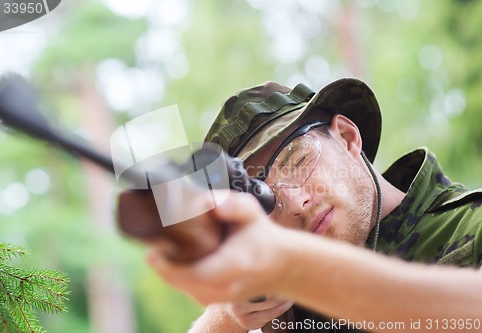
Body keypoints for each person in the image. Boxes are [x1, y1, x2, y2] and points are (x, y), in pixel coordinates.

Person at [121, 78, 482, 332]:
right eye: (264, 198)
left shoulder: (472, 228)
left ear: (347, 137)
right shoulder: (284, 309)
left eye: (298, 161)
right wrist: (229, 316)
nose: (295, 201)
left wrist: (294, 269)